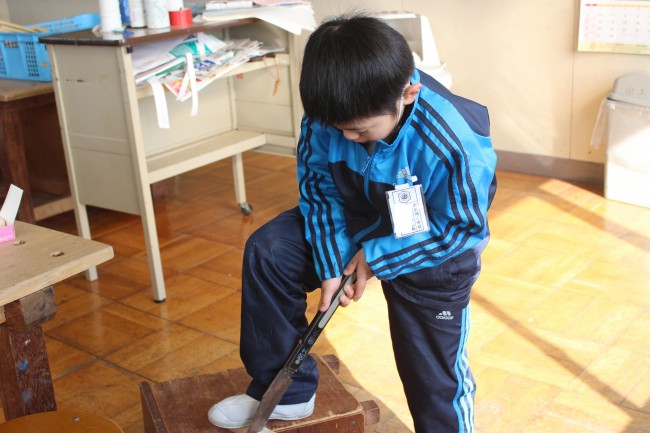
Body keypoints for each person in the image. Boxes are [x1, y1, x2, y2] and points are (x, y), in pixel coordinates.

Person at [208, 12, 497, 433]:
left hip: (435, 241)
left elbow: (462, 228)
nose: (346, 138)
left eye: (360, 132)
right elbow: (319, 191)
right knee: (270, 251)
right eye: (337, 128)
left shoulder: (455, 139)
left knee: (432, 374)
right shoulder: (329, 112)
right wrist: (332, 263)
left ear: (408, 94)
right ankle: (286, 393)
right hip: (356, 210)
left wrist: (376, 255)